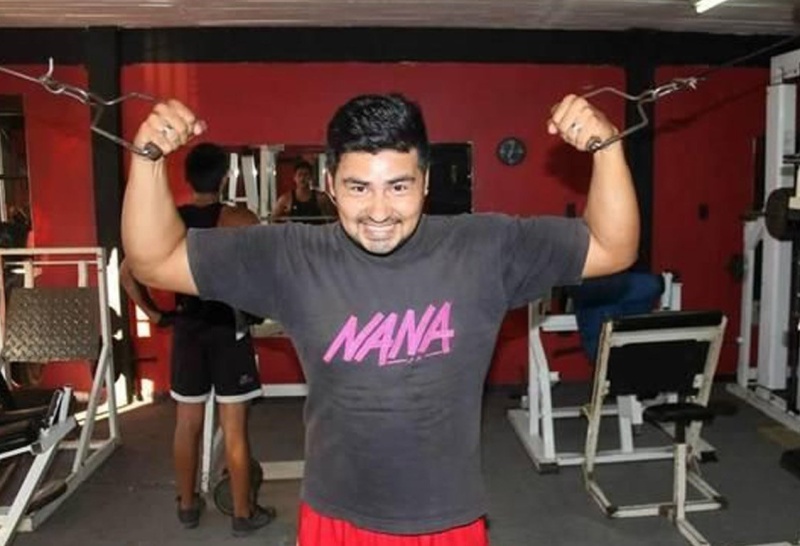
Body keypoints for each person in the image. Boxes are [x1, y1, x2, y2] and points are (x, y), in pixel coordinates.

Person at [122, 92, 639, 546]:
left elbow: (612, 248)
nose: (378, 211)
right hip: (337, 516)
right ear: (330, 183)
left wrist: (607, 148)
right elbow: (154, 260)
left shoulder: (483, 247)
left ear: (425, 181)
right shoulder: (293, 256)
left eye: (398, 186)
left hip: (448, 519)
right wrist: (147, 159)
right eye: (357, 187)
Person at [120, 142, 276, 537]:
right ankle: (243, 514)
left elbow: (126, 273)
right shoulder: (240, 220)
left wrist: (154, 313)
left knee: (186, 423)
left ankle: (187, 507)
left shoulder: (172, 223)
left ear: (187, 178)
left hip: (188, 330)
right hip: (227, 329)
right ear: (224, 178)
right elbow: (269, 268)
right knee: (234, 428)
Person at [271, 159, 334, 223]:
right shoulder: (286, 199)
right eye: (299, 175)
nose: (302, 178)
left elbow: (333, 219)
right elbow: (272, 220)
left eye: (306, 174)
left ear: (311, 177)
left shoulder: (321, 198)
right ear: (294, 178)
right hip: (294, 229)